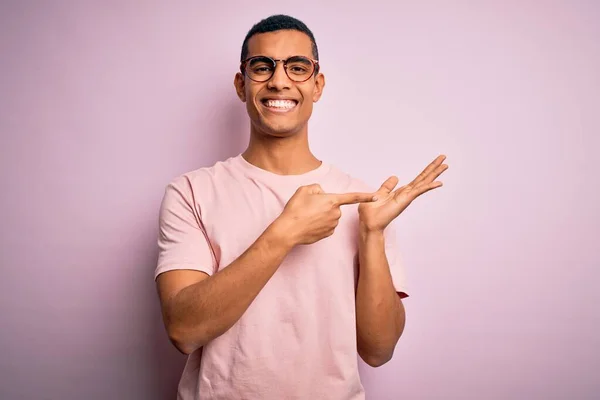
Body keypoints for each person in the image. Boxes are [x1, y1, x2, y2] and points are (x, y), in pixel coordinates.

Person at [155, 14, 448, 400]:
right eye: (262, 67)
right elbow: (184, 330)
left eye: (297, 67)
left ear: (317, 84)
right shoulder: (191, 192)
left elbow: (378, 351)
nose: (279, 81)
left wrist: (372, 234)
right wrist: (285, 232)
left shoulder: (363, 201)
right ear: (241, 84)